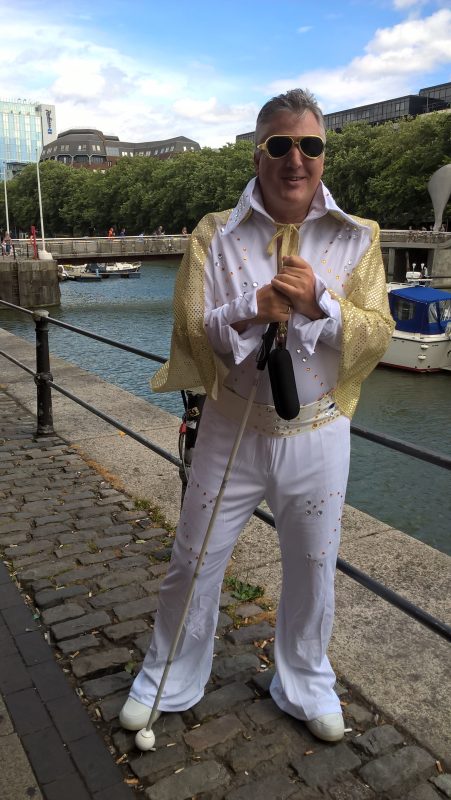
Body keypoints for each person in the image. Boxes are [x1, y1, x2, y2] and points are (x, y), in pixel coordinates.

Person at [120, 88, 393, 743]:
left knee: (312, 565)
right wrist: (251, 307)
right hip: (229, 428)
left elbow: (376, 333)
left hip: (318, 432)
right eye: (279, 144)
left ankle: (305, 681)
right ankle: (167, 677)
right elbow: (193, 332)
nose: (294, 158)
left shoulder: (358, 238)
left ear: (323, 156)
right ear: (258, 152)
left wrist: (318, 303)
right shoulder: (215, 233)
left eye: (309, 145)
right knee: (193, 557)